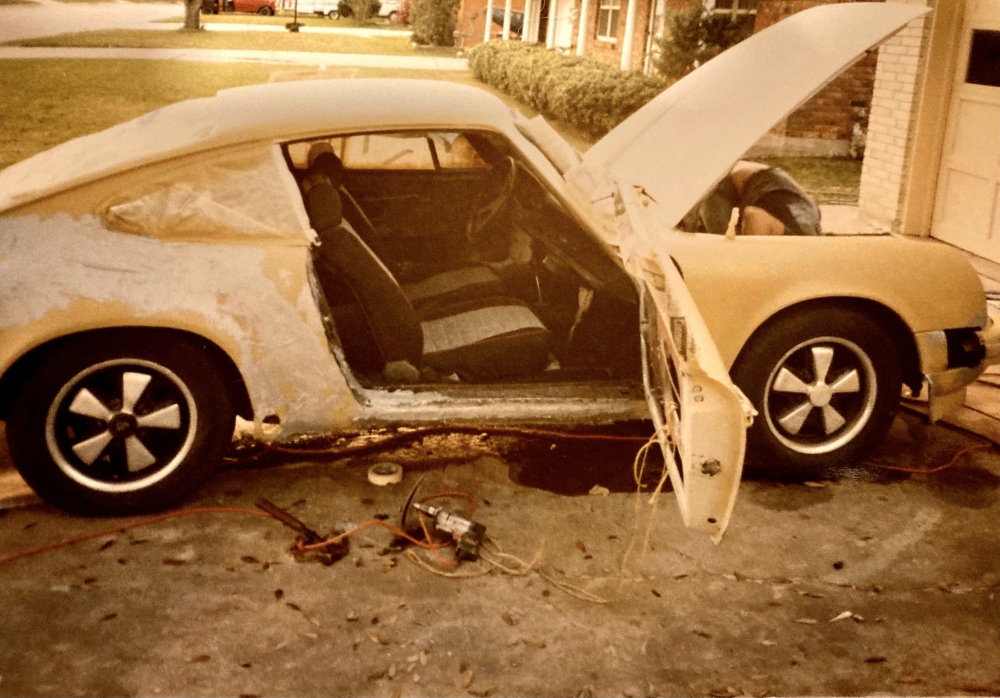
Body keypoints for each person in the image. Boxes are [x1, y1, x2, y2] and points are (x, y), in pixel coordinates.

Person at [692, 160, 822, 236]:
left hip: (763, 178)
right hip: (725, 182)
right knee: (726, 247)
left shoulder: (809, 231)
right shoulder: (796, 236)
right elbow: (753, 215)